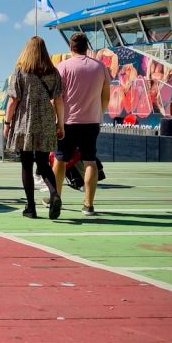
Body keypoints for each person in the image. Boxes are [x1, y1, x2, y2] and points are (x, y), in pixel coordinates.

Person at [4, 36, 65, 219]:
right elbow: (58, 100)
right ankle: (54, 193)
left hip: (25, 121)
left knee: (26, 164)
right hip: (46, 120)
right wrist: (60, 124)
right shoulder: (53, 72)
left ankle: (31, 207)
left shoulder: (20, 71)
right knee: (44, 163)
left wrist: (7, 124)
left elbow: (13, 100)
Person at [53, 33, 111, 217]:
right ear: (87, 47)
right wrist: (99, 113)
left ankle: (57, 198)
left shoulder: (62, 67)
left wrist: (58, 121)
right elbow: (106, 95)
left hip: (68, 121)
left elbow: (57, 99)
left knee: (60, 160)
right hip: (91, 121)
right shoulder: (100, 67)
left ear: (71, 47)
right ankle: (88, 204)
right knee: (90, 161)